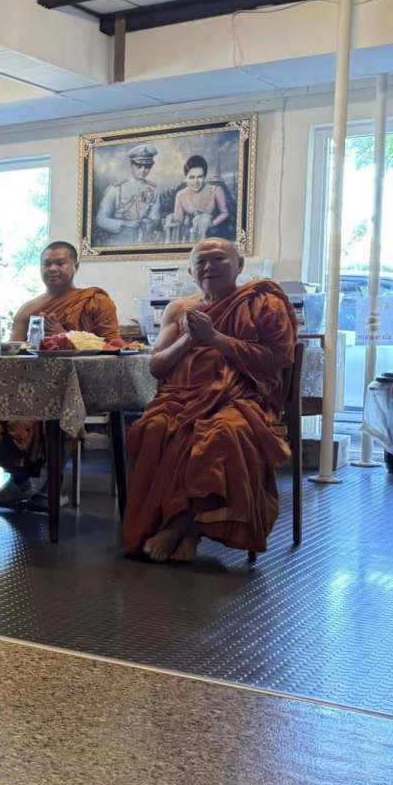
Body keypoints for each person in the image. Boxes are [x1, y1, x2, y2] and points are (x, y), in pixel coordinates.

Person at [123, 238, 296, 561]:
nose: (209, 267)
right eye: (201, 262)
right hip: (181, 398)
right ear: (191, 272)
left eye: (218, 259)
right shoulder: (179, 309)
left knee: (224, 434)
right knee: (151, 427)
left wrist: (215, 338)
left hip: (242, 399)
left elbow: (276, 361)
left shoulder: (262, 302)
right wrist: (190, 338)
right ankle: (181, 529)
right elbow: (157, 365)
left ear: (239, 265)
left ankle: (183, 528)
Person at [0, 241, 120, 506]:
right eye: (47, 264)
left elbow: (111, 346)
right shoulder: (29, 308)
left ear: (75, 266)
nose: (53, 269)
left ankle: (51, 486)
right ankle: (19, 481)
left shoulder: (95, 301)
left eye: (60, 263)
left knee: (57, 406)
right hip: (33, 383)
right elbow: (17, 351)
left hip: (81, 383)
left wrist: (64, 336)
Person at [94, 143, 164, 247]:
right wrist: (124, 223)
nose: (143, 170)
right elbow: (100, 219)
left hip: (144, 242)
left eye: (147, 166)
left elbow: (155, 216)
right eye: (139, 166)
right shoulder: (116, 189)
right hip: (118, 243)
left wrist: (151, 222)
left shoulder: (153, 190)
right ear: (131, 165)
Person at [164, 156, 230, 244]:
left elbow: (225, 213)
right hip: (190, 236)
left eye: (200, 177)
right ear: (186, 177)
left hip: (212, 235)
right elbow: (179, 218)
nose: (195, 182)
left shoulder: (216, 190)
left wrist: (211, 224)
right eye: (191, 177)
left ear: (204, 177)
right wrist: (172, 220)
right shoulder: (180, 195)